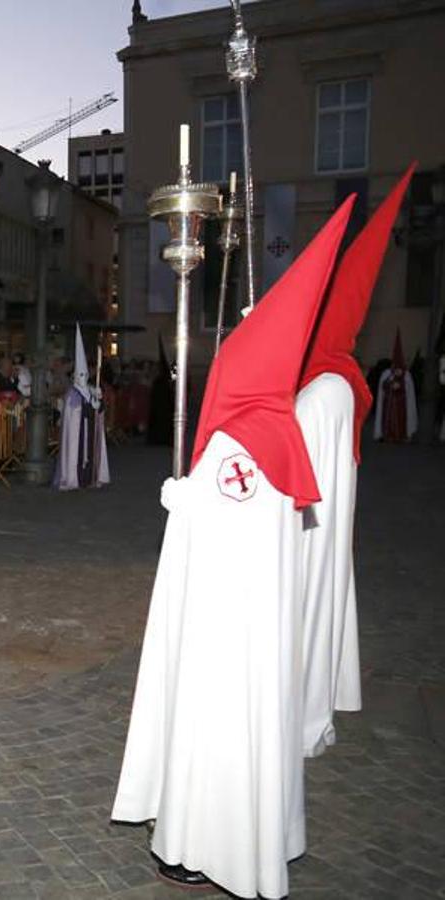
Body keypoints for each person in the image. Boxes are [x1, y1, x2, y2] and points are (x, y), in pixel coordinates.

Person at [112, 198, 356, 899]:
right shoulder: (280, 432)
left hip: (222, 631)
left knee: (217, 736)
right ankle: (269, 836)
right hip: (260, 626)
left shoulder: (236, 447)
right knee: (258, 728)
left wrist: (179, 499)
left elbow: (213, 524)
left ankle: (199, 844)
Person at [297, 167, 411, 757]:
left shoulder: (320, 393)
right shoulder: (340, 381)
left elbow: (294, 473)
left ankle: (306, 715)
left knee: (312, 609)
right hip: (328, 522)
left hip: (309, 531)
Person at [53, 325, 109, 491]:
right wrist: (91, 404)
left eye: (85, 375)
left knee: (90, 455)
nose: (84, 378)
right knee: (78, 455)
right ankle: (73, 478)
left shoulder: (91, 388)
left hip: (89, 431)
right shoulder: (72, 393)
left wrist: (98, 402)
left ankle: (90, 477)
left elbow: (98, 409)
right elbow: (74, 413)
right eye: (81, 375)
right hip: (78, 434)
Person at [374, 329, 418, 442]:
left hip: (400, 405)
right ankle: (387, 435)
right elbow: (383, 388)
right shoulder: (387, 374)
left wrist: (399, 386)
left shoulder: (406, 375)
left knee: (400, 421)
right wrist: (390, 383)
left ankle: (401, 436)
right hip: (389, 405)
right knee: (389, 421)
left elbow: (408, 392)